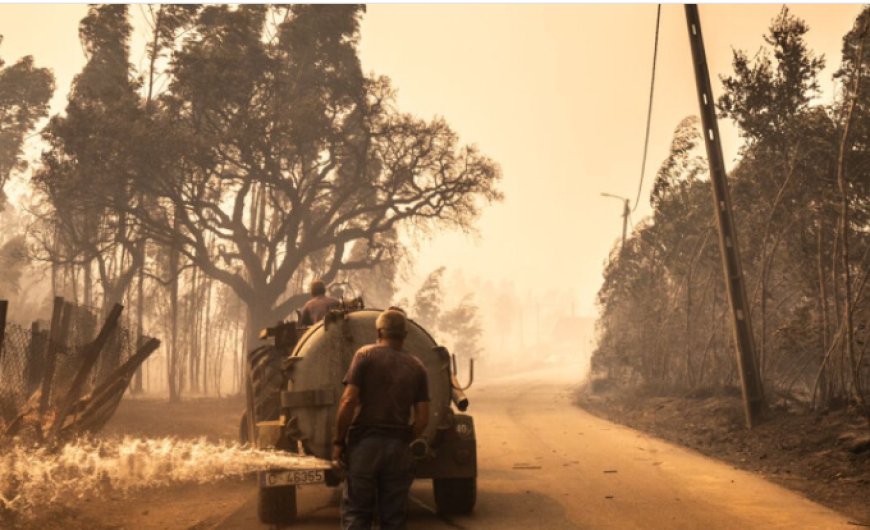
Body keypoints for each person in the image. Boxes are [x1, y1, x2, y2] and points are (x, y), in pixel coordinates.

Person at [332, 309, 430, 530]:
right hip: (398, 448)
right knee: (394, 517)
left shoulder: (365, 355)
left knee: (357, 513)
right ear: (404, 334)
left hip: (364, 446)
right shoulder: (417, 366)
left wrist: (339, 442)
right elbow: (423, 418)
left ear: (378, 331)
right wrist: (403, 439)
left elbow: (348, 402)